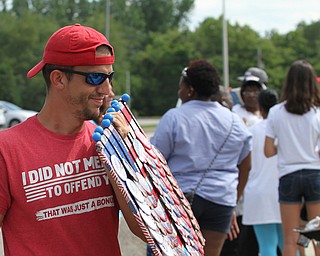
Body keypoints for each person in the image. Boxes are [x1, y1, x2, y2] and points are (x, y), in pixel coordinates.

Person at [0, 24, 146, 255]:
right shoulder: (7, 149)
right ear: (58, 79)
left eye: (110, 76)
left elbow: (144, 230)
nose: (107, 90)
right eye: (96, 77)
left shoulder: (109, 142)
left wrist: (127, 155)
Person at [150, 59, 252, 256]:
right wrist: (233, 200)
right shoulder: (234, 120)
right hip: (222, 201)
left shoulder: (174, 117)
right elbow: (247, 164)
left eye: (181, 86)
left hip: (179, 200)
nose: (179, 91)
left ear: (190, 89)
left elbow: (155, 160)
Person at [264, 59, 320, 256]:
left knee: (290, 239)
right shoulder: (318, 112)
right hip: (315, 176)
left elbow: (268, 151)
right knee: (317, 238)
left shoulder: (275, 112)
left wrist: (285, 146)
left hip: (288, 177)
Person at [221, 67, 268, 256]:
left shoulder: (269, 115)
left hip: (263, 182)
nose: (250, 95)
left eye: (255, 90)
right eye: (247, 90)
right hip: (242, 181)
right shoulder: (235, 113)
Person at [242, 89, 284, 256]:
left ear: (260, 106)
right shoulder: (283, 130)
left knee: (267, 246)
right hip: (282, 193)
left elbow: (245, 165)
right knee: (288, 244)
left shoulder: (252, 131)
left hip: (258, 193)